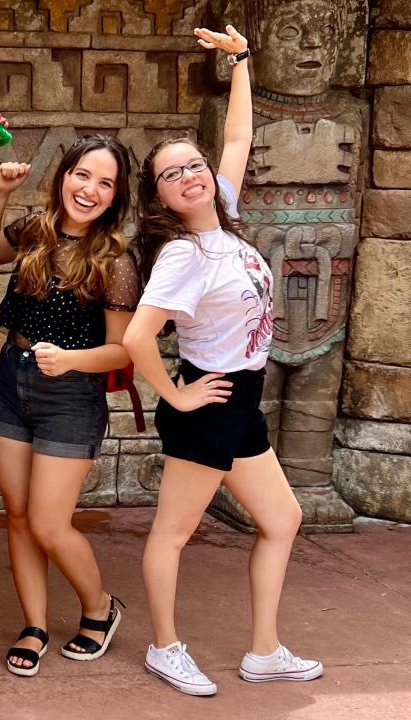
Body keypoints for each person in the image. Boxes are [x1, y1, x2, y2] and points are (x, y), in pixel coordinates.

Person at [123, 26, 323, 697]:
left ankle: (265, 650)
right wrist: (176, 398)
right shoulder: (182, 254)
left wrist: (240, 63)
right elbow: (137, 339)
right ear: (160, 196)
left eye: (192, 165)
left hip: (240, 400)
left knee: (283, 519)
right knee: (173, 535)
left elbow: (238, 139)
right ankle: (165, 646)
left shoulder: (227, 218)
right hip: (208, 401)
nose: (188, 175)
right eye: (170, 173)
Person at [0, 135, 140, 677]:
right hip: (9, 384)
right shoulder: (36, 231)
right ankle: (35, 625)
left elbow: (123, 348)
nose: (89, 190)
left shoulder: (115, 259)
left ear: (115, 197)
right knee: (16, 516)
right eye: (82, 175)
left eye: (104, 183)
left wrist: (70, 361)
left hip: (70, 394)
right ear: (64, 175)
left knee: (49, 522)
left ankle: (100, 608)